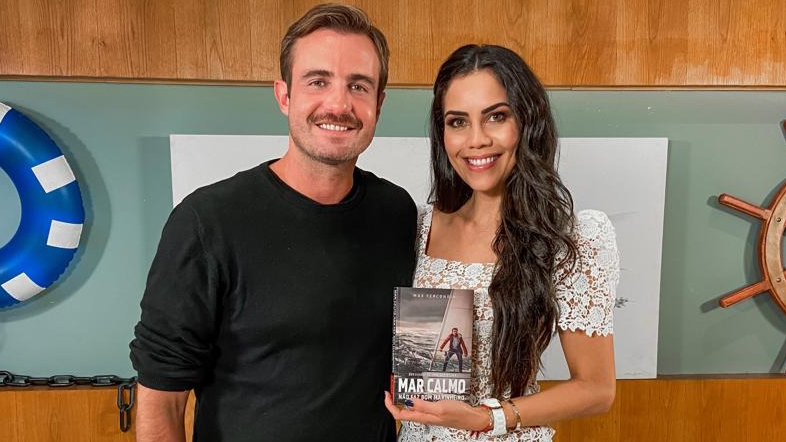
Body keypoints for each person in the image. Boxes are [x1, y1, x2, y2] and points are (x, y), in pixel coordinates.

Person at [130, 4, 417, 442]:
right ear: (284, 95)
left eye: (358, 86)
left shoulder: (397, 213)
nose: (338, 104)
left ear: (378, 102)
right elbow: (162, 399)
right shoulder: (207, 222)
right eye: (318, 81)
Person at [384, 44, 619, 441]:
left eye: (495, 117)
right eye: (457, 122)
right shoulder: (420, 226)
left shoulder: (573, 238)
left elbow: (597, 390)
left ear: (526, 122)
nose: (475, 140)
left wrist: (485, 417)